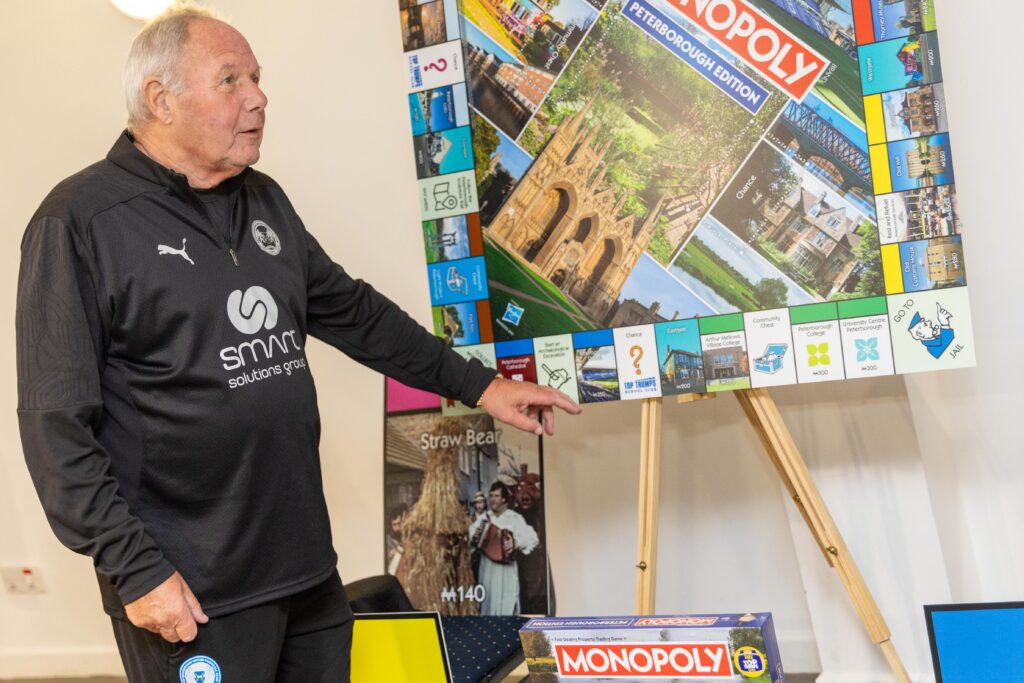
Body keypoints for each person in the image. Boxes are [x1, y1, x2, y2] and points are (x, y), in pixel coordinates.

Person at [14, 5, 579, 682]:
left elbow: (356, 313)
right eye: (232, 80)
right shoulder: (79, 222)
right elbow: (55, 427)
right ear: (159, 99)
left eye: (257, 77)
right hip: (193, 590)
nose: (258, 96)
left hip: (305, 570)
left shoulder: (264, 201)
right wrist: (137, 570)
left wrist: (482, 385)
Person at [468, 482, 540, 615]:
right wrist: (474, 537)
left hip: (507, 572)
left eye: (496, 496)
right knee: (488, 608)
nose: (492, 499)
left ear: (504, 499)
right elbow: (469, 538)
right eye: (491, 496)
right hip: (487, 571)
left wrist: (516, 542)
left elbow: (532, 538)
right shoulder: (484, 518)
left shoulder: (514, 518)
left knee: (508, 607)